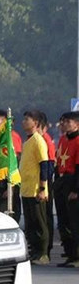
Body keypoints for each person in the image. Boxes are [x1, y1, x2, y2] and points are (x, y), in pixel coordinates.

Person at [18, 110, 53, 263]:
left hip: (36, 189)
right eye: (24, 119)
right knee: (30, 223)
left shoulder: (38, 140)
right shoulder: (27, 142)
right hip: (26, 189)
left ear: (36, 123)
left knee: (40, 223)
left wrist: (43, 188)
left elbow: (44, 164)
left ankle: (43, 253)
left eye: (27, 119)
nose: (24, 122)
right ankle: (34, 251)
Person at [54, 112, 79, 266]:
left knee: (74, 221)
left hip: (72, 180)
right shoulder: (63, 139)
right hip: (62, 180)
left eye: (68, 122)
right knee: (63, 220)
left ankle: (77, 255)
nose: (64, 124)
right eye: (63, 121)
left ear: (77, 124)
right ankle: (70, 254)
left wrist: (76, 190)